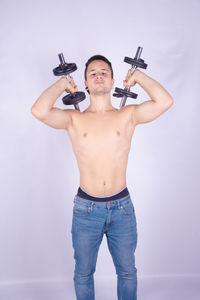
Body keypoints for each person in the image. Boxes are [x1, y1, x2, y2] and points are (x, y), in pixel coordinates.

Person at [31, 54, 173, 300]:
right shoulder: (74, 119)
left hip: (122, 208)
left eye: (104, 72)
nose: (99, 75)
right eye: (93, 73)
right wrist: (62, 84)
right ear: (85, 83)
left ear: (112, 80)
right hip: (86, 210)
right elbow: (39, 111)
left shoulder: (127, 115)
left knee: (127, 272)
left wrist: (138, 77)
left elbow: (165, 101)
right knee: (83, 274)